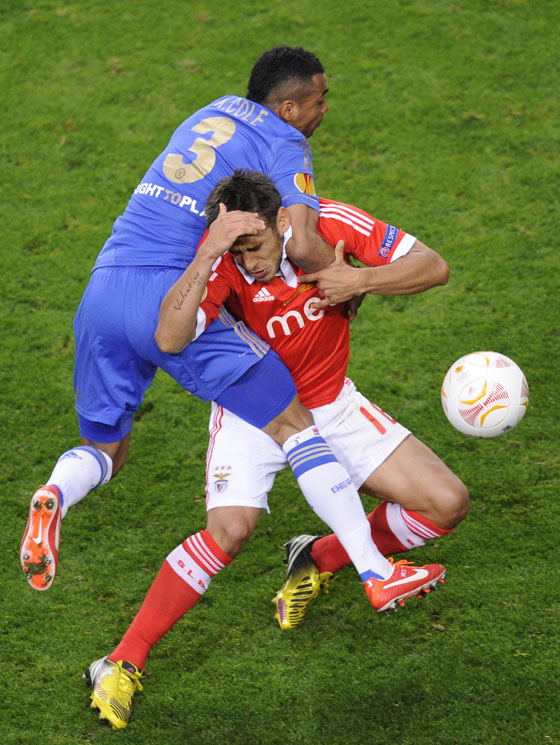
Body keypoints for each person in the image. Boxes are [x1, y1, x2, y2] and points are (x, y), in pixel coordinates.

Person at [83, 170, 467, 730]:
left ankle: (321, 556)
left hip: (333, 405)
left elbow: (434, 266)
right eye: (237, 250)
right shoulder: (221, 259)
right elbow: (169, 337)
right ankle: (121, 661)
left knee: (446, 503)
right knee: (229, 532)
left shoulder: (328, 222)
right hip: (253, 412)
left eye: (256, 246)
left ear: (282, 219)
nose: (250, 261)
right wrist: (209, 253)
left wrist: (360, 280)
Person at [20, 46, 376, 598]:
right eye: (319, 99)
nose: (324, 108)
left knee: (107, 447)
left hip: (103, 292)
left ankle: (56, 494)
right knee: (292, 421)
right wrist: (350, 282)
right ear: (287, 108)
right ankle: (373, 568)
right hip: (173, 293)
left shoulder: (211, 109)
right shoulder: (286, 142)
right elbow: (302, 242)